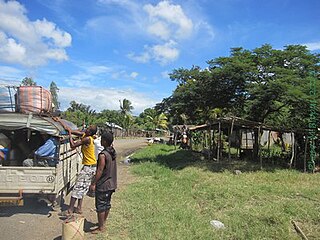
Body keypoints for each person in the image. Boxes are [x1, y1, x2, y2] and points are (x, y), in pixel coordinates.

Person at [60, 124, 98, 216]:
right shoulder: (86, 135)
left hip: (88, 167)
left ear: (90, 132)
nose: (86, 129)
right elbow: (77, 132)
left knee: (77, 187)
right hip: (91, 166)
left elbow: (73, 145)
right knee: (83, 187)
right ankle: (79, 208)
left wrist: (69, 134)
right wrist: (66, 127)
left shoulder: (87, 139)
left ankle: (70, 210)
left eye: (88, 129)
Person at [89, 131, 117, 233]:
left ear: (104, 141)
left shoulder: (103, 155)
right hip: (111, 183)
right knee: (107, 204)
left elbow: (100, 170)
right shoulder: (112, 152)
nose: (100, 141)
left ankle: (101, 228)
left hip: (104, 184)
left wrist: (93, 183)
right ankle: (102, 223)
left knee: (100, 206)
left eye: (101, 140)